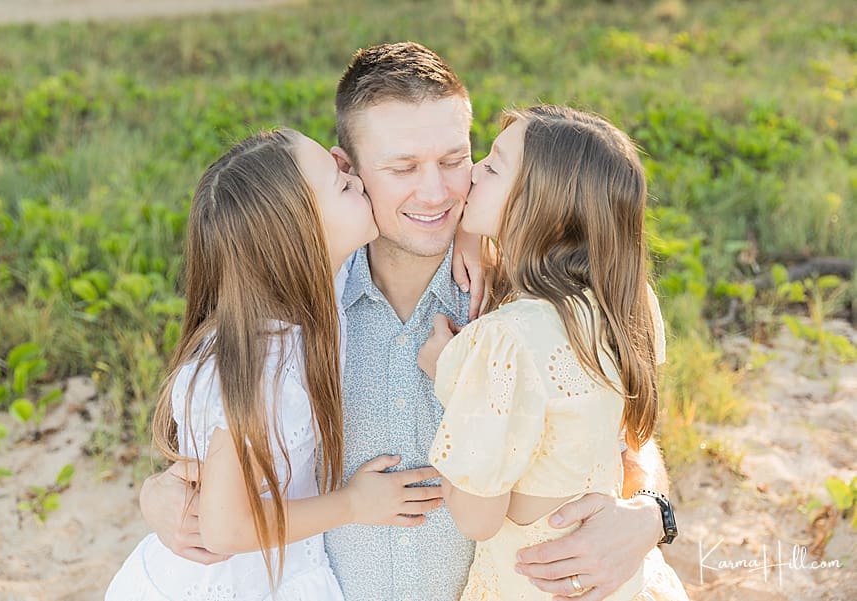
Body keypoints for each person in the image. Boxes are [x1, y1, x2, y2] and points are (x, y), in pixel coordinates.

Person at [140, 43, 677, 601]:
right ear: (345, 170)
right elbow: (220, 454)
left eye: (454, 161)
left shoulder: (537, 295)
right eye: (402, 168)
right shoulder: (292, 310)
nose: (436, 192)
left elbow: (623, 438)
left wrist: (648, 514)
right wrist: (158, 495)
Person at [106, 129, 445, 600]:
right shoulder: (265, 361)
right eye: (341, 184)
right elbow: (225, 530)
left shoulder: (320, 290)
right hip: (231, 581)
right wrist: (353, 504)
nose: (353, 178)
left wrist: (468, 237)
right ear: (300, 236)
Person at [418, 105, 689, 600]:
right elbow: (631, 440)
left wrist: (453, 378)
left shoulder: (504, 341)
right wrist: (470, 229)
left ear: (537, 207)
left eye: (494, 166)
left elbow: (476, 517)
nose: (475, 169)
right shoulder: (629, 304)